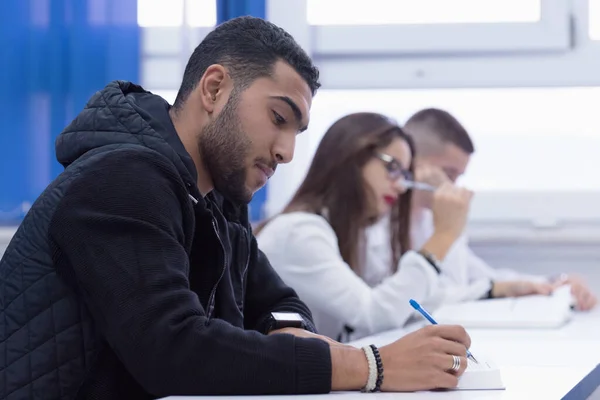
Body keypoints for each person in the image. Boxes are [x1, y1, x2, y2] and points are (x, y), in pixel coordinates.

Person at [0, 17, 474, 399]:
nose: (286, 151)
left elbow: (280, 303)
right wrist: (370, 366)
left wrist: (287, 333)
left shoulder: (220, 199)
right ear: (214, 89)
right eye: (278, 118)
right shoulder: (122, 180)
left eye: (296, 132)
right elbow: (173, 350)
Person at [256, 112, 479, 342]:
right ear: (351, 157)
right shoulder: (299, 232)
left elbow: (401, 302)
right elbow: (374, 315)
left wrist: (488, 289)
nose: (401, 186)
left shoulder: (350, 230)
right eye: (392, 167)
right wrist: (443, 236)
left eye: (404, 174)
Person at [367, 108, 597, 310]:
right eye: (448, 174)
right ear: (411, 163)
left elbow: (480, 277)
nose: (453, 187)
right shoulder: (375, 227)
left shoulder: (432, 218)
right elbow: (410, 301)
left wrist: (556, 283)